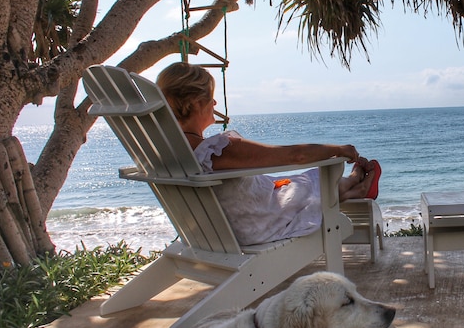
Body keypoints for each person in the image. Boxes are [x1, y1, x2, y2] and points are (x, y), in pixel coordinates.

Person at [156, 62, 381, 246]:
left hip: (217, 230)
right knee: (313, 180)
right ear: (196, 103)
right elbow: (294, 156)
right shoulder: (214, 151)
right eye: (211, 98)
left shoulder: (167, 151)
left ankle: (355, 186)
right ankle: (356, 183)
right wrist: (338, 149)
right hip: (257, 225)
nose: (215, 103)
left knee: (297, 183)